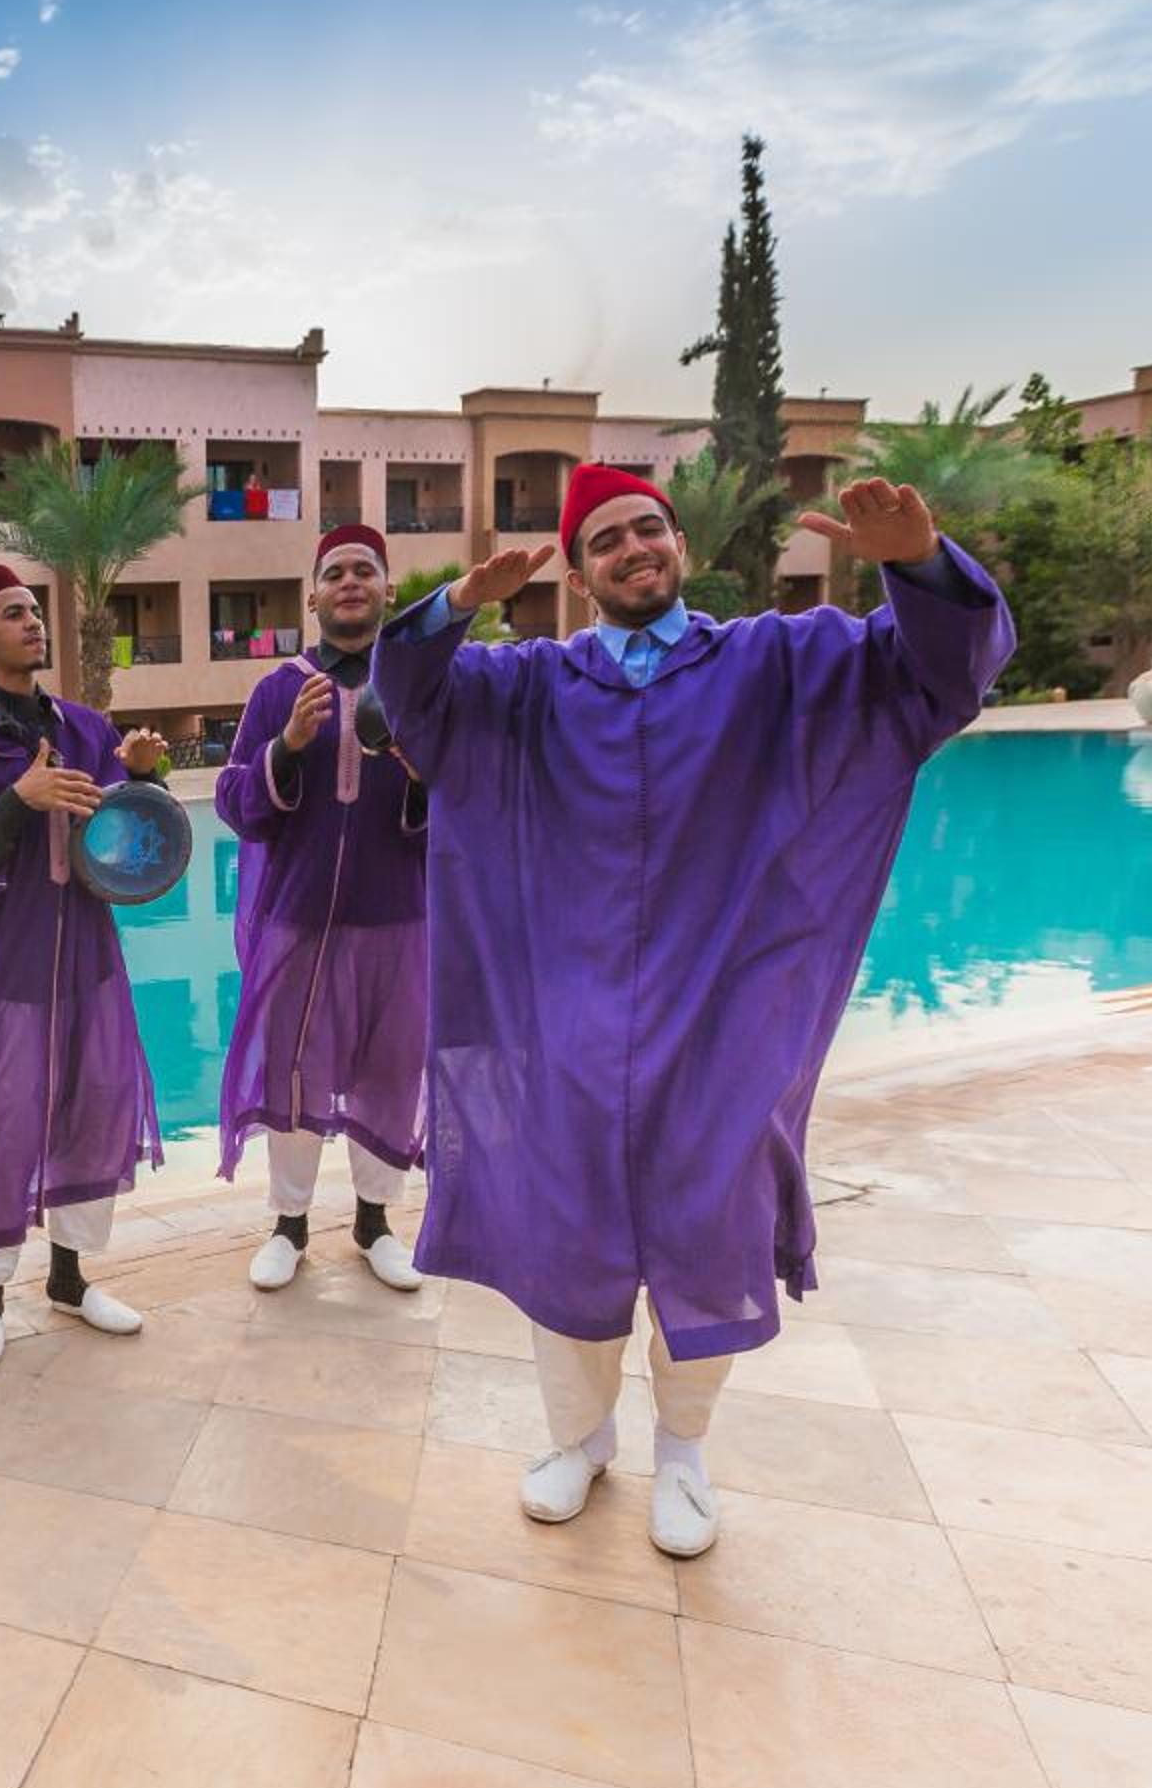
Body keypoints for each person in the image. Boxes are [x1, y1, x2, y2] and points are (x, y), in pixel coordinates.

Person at [371, 468, 1012, 1557]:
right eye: (607, 540)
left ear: (680, 547)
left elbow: (941, 677)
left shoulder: (779, 663)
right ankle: (578, 1439)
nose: (634, 548)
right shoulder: (526, 687)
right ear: (580, 577)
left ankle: (682, 1451)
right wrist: (455, 605)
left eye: (649, 529)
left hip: (725, 1017)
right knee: (563, 1231)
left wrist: (918, 564)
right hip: (568, 1016)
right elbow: (408, 698)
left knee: (708, 1230)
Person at [0, 564, 168, 1370]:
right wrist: (17, 801)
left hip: (88, 962)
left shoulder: (88, 729)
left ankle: (69, 1278)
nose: (31, 621)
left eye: (33, 609)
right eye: (11, 613)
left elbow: (125, 838)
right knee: (2, 1124)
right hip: (7, 970)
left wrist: (143, 774)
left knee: (90, 1111)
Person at [215, 523, 429, 1293]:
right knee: (296, 1073)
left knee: (391, 1070)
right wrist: (288, 744)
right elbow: (235, 802)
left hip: (397, 920)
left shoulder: (414, 688)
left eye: (363, 570)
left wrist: (419, 773)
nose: (349, 582)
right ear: (312, 598)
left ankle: (375, 1223)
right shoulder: (279, 690)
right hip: (299, 922)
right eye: (334, 572)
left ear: (387, 590)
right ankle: (289, 1225)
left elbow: (461, 804)